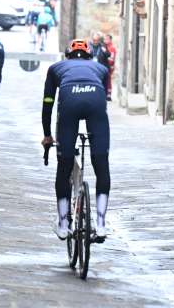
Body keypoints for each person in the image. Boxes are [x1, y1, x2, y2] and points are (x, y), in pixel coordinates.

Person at [41, 40, 111, 240]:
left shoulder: (55, 68)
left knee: (64, 166)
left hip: (69, 102)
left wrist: (47, 135)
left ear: (67, 56)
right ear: (90, 56)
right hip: (95, 102)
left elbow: (48, 103)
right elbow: (105, 97)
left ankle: (63, 225)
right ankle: (101, 224)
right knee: (101, 164)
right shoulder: (101, 69)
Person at [103, 34, 117, 101]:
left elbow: (111, 59)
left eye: (107, 39)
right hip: (104, 65)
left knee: (108, 80)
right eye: (105, 39)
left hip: (109, 66)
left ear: (110, 40)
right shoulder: (103, 47)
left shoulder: (112, 48)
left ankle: (109, 95)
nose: (105, 40)